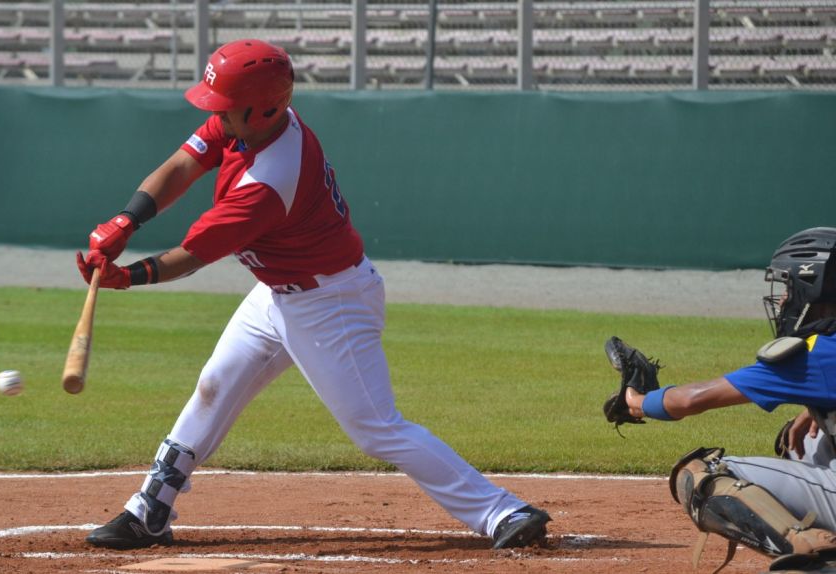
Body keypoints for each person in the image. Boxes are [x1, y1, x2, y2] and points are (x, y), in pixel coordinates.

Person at [75, 39, 550, 552]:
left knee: (375, 428)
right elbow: (182, 165)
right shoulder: (250, 122)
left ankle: (503, 510)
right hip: (278, 292)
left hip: (331, 304)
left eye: (226, 107)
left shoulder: (269, 179)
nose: (216, 115)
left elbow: (191, 256)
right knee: (215, 383)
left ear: (262, 108)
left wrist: (126, 276)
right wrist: (127, 220)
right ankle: (149, 510)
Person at [619, 227, 836, 572]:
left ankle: (819, 560)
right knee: (805, 440)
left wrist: (635, 400)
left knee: (704, 474)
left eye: (789, 288)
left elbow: (690, 400)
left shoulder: (815, 354)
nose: (783, 300)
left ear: (814, 287)